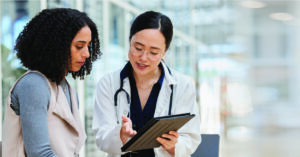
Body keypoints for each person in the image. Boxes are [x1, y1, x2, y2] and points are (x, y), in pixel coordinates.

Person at [92, 11, 201, 157]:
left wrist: (174, 146)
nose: (143, 58)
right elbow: (101, 138)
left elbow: (191, 138)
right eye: (138, 48)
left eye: (154, 52)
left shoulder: (183, 86)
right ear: (129, 41)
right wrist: (120, 136)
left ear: (164, 52)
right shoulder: (108, 84)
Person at [2, 8, 101, 157]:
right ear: (56, 45)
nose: (86, 53)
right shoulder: (33, 85)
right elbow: (39, 153)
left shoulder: (67, 88)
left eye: (88, 46)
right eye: (79, 46)